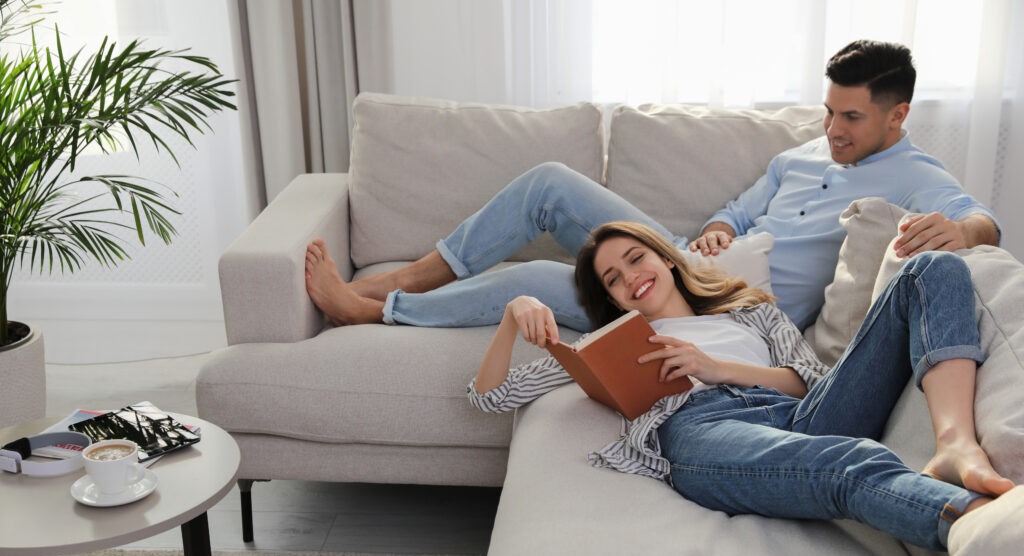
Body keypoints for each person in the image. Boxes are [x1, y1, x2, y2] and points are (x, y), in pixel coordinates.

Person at [305, 39, 999, 333]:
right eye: (829, 111)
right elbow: (738, 208)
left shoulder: (915, 174)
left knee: (537, 285)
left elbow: (983, 225)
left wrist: (963, 231)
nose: (834, 127)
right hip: (690, 258)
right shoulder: (804, 153)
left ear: (897, 114)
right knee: (549, 181)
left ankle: (376, 309)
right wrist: (724, 226)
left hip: (721, 309)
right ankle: (412, 277)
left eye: (851, 117)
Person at [467, 221, 1014, 551]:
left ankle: (954, 443)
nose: (630, 275)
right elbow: (489, 397)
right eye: (613, 279)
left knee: (932, 267)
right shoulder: (616, 343)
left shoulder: (749, 310)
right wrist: (513, 315)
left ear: (665, 257)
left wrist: (716, 366)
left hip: (803, 411)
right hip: (707, 430)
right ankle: (978, 527)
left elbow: (811, 383)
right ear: (612, 300)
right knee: (850, 463)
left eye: (636, 257)